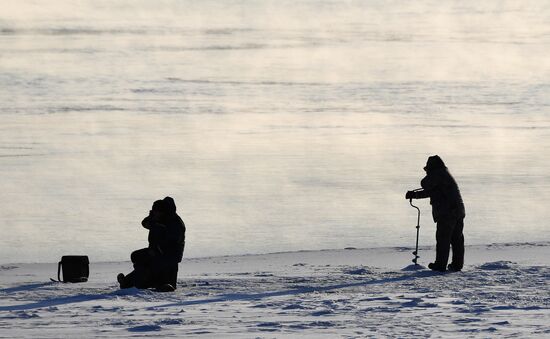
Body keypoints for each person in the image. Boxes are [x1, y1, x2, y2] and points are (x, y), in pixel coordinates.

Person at [406, 155, 465, 272]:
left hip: (447, 213)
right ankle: (457, 265)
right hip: (457, 210)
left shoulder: (439, 174)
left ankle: (440, 265)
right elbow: (432, 192)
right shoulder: (443, 175)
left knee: (443, 239)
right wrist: (415, 195)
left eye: (428, 168)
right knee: (456, 239)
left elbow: (425, 183)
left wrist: (428, 174)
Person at [117, 196, 186, 290]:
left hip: (169, 255)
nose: (155, 213)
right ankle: (129, 281)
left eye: (156, 211)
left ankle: (161, 283)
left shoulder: (175, 223)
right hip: (156, 251)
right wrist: (151, 218)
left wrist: (158, 249)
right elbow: (145, 223)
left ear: (163, 211)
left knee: (156, 265)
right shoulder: (157, 220)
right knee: (137, 257)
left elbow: (172, 242)